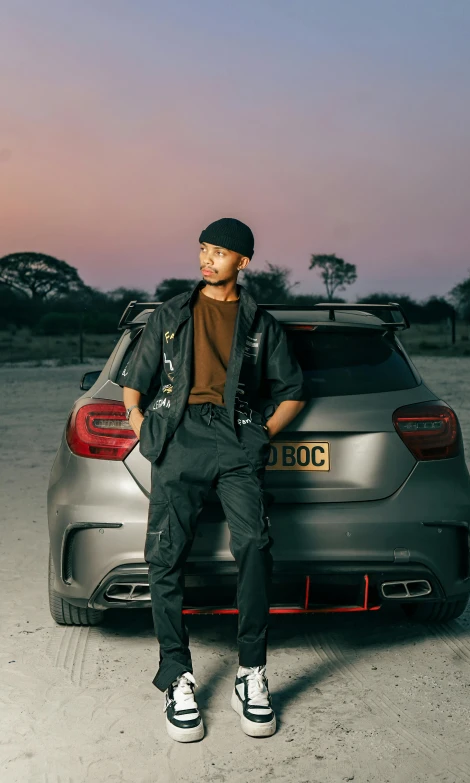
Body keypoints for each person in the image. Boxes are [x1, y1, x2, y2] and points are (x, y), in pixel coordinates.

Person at [121, 217, 308, 742]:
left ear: (242, 262)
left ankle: (251, 672)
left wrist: (258, 435)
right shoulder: (171, 314)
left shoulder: (260, 324)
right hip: (178, 441)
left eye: (220, 252)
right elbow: (133, 389)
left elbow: (293, 391)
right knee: (166, 555)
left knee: (254, 543)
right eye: (204, 248)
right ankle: (176, 675)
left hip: (236, 441)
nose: (208, 259)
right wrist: (148, 434)